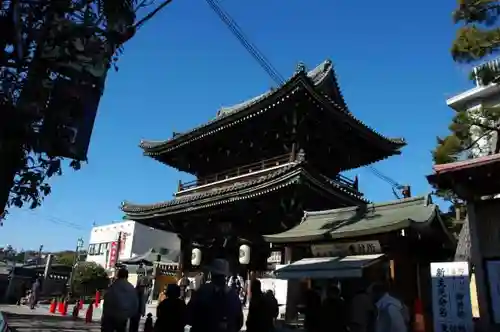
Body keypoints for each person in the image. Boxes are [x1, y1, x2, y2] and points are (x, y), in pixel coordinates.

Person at [187, 258, 244, 332]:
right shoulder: (234, 296)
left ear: (211, 274)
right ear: (225, 276)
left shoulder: (202, 292)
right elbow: (239, 322)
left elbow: (189, 316)